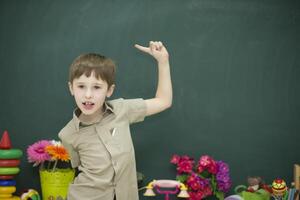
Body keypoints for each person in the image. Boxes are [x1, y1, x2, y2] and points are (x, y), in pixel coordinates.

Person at [58, 41, 172, 200]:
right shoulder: (67, 134)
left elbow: (163, 101)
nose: (88, 94)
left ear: (109, 90)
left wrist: (163, 61)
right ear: (71, 88)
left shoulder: (122, 110)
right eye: (81, 86)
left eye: (97, 87)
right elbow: (79, 168)